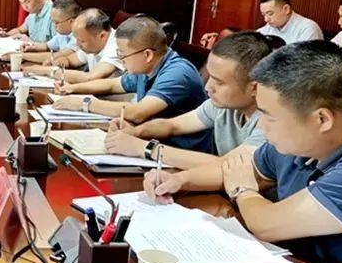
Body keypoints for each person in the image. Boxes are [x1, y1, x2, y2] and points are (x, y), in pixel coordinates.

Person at [143, 41, 342, 263]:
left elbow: (267, 224)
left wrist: (243, 190)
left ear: (322, 119)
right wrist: (179, 180)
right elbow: (236, 168)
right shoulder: (305, 141)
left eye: (269, 116)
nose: (261, 124)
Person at [106, 31, 272, 169]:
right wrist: (136, 132)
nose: (208, 87)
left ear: (254, 87)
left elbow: (226, 165)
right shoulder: (222, 105)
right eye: (210, 76)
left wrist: (143, 148)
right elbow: (172, 125)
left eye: (219, 82)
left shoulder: (272, 120)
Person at [54, 16, 210, 151]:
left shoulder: (177, 72)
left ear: (147, 54)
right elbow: (113, 85)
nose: (120, 60)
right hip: (152, 142)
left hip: (180, 152)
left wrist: (85, 103)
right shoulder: (146, 66)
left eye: (122, 54)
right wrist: (72, 88)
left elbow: (138, 112)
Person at [24, 8, 123, 83]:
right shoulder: (92, 43)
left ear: (102, 36)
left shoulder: (117, 46)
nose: (77, 45)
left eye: (82, 41)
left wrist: (49, 71)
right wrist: (57, 62)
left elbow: (90, 77)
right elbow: (69, 60)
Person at [12, 0, 80, 65]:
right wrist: (32, 46)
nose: (54, 25)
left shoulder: (79, 36)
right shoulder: (63, 34)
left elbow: (55, 56)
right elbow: (47, 46)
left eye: (56, 22)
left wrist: (21, 56)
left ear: (71, 22)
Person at [255, 0, 323, 44]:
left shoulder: (307, 28)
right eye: (263, 15)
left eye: (270, 13)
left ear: (286, 9)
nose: (266, 19)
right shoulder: (264, 31)